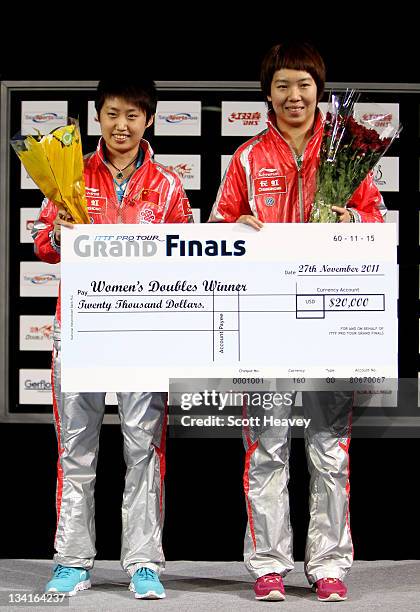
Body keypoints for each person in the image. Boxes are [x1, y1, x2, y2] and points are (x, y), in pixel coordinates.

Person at [209, 41, 385, 602]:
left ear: (319, 91)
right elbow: (215, 230)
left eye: (304, 85)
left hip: (328, 324)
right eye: (283, 85)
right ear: (267, 93)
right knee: (266, 448)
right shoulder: (245, 158)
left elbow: (378, 223)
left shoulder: (347, 155)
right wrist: (239, 229)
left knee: (329, 449)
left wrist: (349, 217)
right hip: (263, 326)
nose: (294, 95)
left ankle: (329, 563)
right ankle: (268, 564)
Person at [33, 78, 193, 599]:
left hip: (142, 336)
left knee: (142, 449)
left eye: (132, 115)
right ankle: (73, 559)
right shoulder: (69, 177)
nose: (121, 125)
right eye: (111, 114)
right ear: (97, 117)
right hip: (80, 330)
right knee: (75, 448)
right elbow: (42, 243)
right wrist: (59, 235)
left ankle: (143, 562)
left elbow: (186, 254)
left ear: (150, 119)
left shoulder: (168, 185)